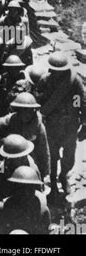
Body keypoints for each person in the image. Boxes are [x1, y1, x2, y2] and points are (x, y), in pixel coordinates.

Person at [36, 52, 85, 195]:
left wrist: (84, 123)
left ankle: (63, 176)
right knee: (52, 156)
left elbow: (81, 101)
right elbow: (38, 101)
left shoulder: (74, 81)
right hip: (51, 127)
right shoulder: (45, 81)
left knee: (69, 157)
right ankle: (52, 182)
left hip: (70, 126)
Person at [0, 92, 50, 180]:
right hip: (7, 157)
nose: (28, 114)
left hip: (27, 159)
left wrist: (44, 171)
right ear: (18, 110)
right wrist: (6, 142)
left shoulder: (38, 126)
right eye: (24, 110)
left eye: (30, 110)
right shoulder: (6, 122)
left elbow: (43, 150)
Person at [0, 134, 40, 208]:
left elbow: (37, 195)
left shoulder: (32, 170)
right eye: (10, 158)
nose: (10, 161)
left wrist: (4, 202)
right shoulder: (5, 164)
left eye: (18, 158)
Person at [0, 166, 51, 234]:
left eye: (30, 188)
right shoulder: (2, 208)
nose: (26, 192)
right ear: (15, 187)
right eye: (22, 188)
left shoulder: (41, 209)